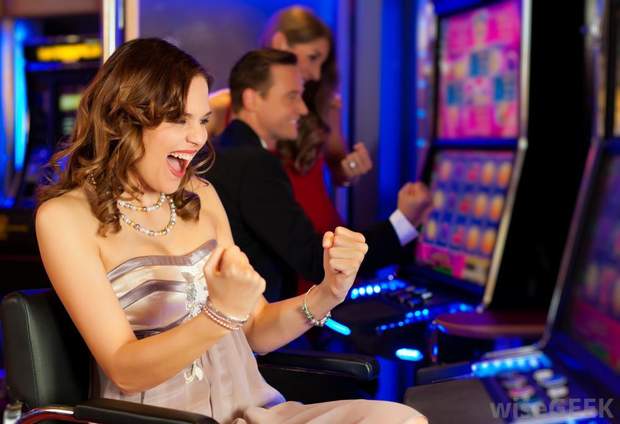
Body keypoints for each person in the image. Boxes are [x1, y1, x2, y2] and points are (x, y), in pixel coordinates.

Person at [35, 38, 425, 424]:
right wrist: (220, 313)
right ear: (124, 119)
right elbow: (124, 369)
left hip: (253, 411)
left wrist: (328, 292)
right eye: (180, 119)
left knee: (400, 419)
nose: (198, 137)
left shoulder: (200, 194)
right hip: (161, 419)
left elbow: (255, 328)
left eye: (202, 120)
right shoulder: (64, 218)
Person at [207, 49, 432, 302]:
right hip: (253, 319)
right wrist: (403, 222)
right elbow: (316, 260)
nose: (303, 109)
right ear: (252, 100)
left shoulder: (226, 150)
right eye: (292, 97)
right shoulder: (253, 162)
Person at [208, 6, 373, 236]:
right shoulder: (222, 108)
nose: (316, 74)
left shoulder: (325, 104)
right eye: (312, 57)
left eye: (322, 63)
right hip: (262, 245)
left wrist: (350, 169)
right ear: (280, 43)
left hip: (322, 239)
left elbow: (339, 172)